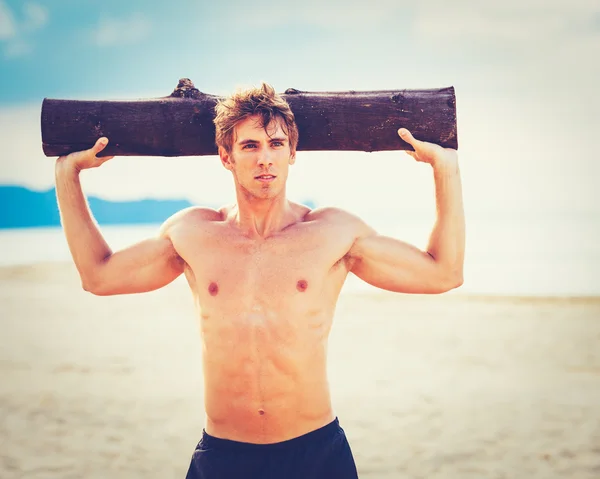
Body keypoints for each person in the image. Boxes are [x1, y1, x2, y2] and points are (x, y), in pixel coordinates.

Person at [54, 82, 465, 479]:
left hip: (315, 452)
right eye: (250, 145)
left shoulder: (333, 233)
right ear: (225, 156)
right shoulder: (194, 233)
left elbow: (443, 272)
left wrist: (444, 168)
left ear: (292, 154)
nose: (264, 158)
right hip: (224, 456)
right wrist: (67, 175)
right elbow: (99, 276)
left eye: (276, 144)